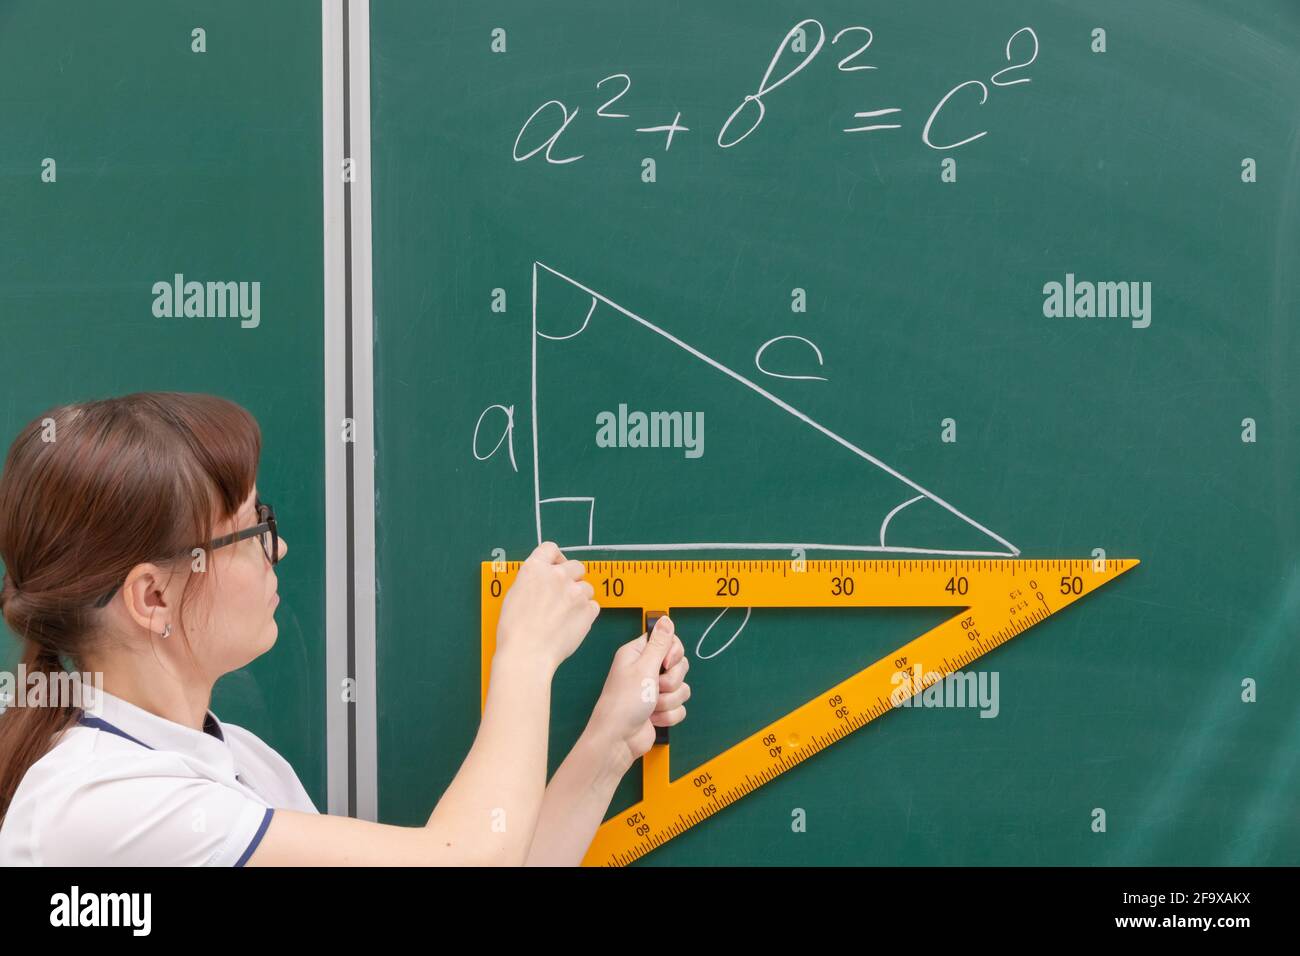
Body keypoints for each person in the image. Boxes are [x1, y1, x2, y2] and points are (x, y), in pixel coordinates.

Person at [0, 392, 689, 865]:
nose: (279, 548)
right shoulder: (96, 804)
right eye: (250, 530)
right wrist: (527, 655)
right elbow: (465, 859)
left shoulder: (245, 766)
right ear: (152, 597)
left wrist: (608, 745)